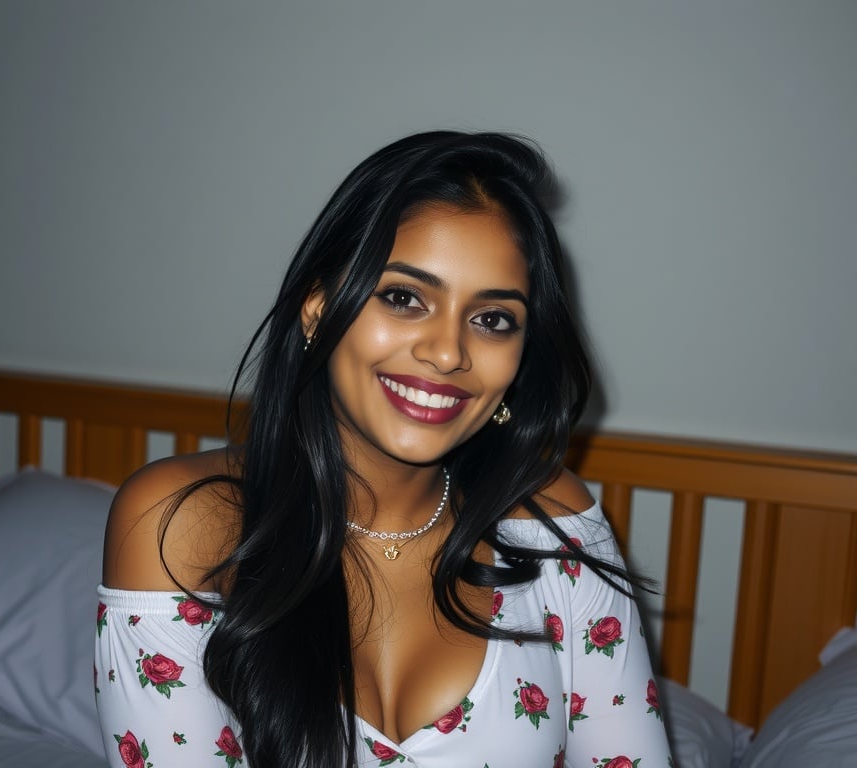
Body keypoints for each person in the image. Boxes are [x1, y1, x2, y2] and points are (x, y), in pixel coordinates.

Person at [95, 131, 672, 767]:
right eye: (404, 298)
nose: (449, 352)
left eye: (492, 319)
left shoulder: (549, 520)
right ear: (317, 310)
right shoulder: (182, 524)